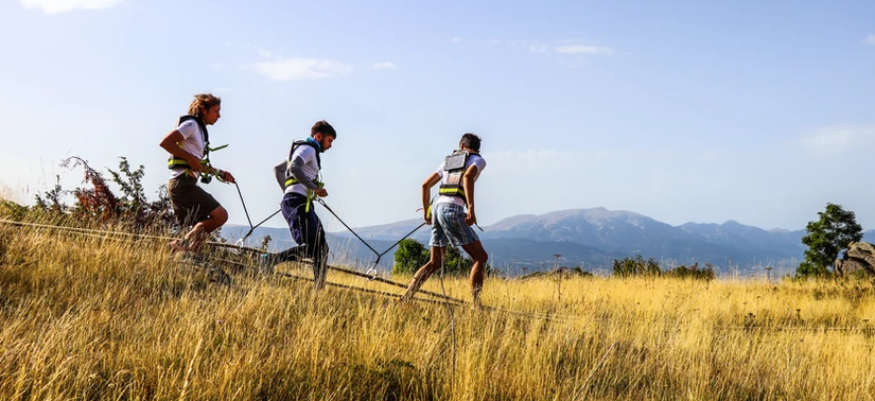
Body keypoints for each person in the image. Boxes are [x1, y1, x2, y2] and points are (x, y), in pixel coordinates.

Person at [400, 133, 489, 305]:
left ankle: (406, 298)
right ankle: (476, 306)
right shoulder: (478, 160)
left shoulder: (448, 162)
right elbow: (468, 177)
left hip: (438, 208)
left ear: (461, 145)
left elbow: (425, 185)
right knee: (481, 257)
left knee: (435, 261)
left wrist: (427, 212)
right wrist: (471, 208)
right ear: (477, 149)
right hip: (453, 209)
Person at [159, 93, 235, 253]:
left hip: (185, 183)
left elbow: (196, 164)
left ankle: (188, 258)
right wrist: (189, 157)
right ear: (204, 110)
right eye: (216, 111)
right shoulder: (191, 125)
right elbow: (166, 142)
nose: (219, 116)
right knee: (220, 216)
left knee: (202, 226)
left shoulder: (200, 132)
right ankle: (178, 245)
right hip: (182, 183)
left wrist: (219, 173)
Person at [267, 120, 337, 288]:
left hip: (299, 201)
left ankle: (319, 289)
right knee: (314, 247)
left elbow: (278, 169)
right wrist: (313, 187)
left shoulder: (303, 150)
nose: (330, 146)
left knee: (321, 248)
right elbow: (293, 167)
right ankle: (268, 260)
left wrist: (288, 190)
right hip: (297, 202)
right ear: (318, 136)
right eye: (329, 140)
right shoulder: (308, 149)